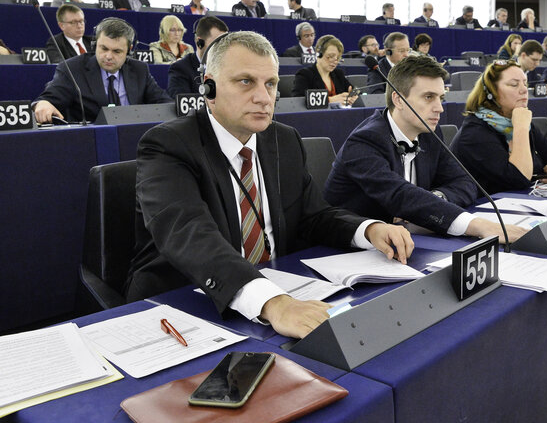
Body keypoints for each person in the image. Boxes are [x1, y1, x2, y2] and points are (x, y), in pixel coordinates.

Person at [125, 30, 414, 339]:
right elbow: (190, 235)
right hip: (185, 303)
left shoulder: (283, 139)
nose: (263, 97)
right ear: (209, 86)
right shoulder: (168, 144)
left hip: (278, 291)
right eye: (246, 81)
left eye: (271, 84)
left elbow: (314, 215)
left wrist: (368, 230)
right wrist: (274, 304)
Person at [324, 55, 527, 243]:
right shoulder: (365, 140)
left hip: (411, 244)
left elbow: (465, 182)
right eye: (429, 97)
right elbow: (400, 196)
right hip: (348, 250)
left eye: (441, 97)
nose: (440, 108)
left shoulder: (430, 134)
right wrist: (479, 225)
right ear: (398, 99)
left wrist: (435, 199)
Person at [450, 60, 547, 195]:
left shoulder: (519, 122)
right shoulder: (475, 133)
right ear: (491, 92)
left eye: (525, 83)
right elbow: (519, 178)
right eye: (514, 85)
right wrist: (520, 128)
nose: (524, 90)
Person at [33, 18, 171, 123]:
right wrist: (43, 103)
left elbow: (165, 103)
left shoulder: (139, 70)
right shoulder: (72, 69)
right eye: (104, 48)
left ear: (129, 51)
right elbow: (49, 98)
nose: (108, 56)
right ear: (95, 45)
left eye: (117, 51)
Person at [168, 16, 228, 97]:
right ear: (199, 42)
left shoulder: (229, 66)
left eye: (225, 43)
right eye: (216, 43)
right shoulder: (180, 69)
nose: (222, 48)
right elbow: (182, 103)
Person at [292, 35, 356, 104]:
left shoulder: (338, 74)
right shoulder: (305, 74)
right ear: (319, 53)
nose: (335, 61)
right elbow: (297, 100)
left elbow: (354, 90)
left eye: (338, 58)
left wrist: (353, 96)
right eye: (331, 56)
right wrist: (329, 100)